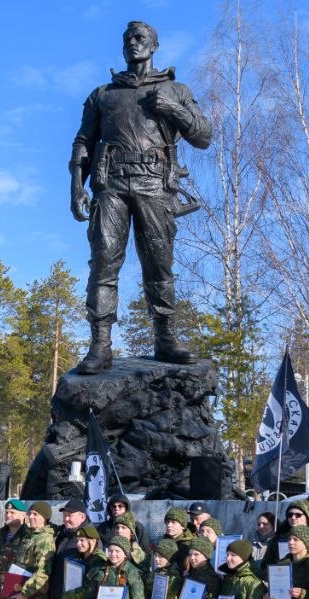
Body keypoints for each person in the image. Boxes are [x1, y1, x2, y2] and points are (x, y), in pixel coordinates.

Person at [69, 20, 212, 373]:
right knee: (103, 263)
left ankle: (165, 339)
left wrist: (174, 109)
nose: (133, 43)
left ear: (154, 45)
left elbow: (204, 136)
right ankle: (100, 345)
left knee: (158, 264)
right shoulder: (103, 94)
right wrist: (76, 187)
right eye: (128, 39)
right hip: (111, 184)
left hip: (155, 184)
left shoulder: (175, 90)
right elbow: (84, 142)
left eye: (140, 38)